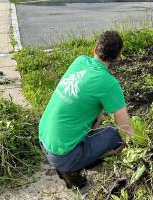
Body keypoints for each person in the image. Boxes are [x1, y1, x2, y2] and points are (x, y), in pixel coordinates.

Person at [39, 31, 133, 189]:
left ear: (95, 48)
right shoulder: (110, 84)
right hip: (63, 157)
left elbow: (94, 112)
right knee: (114, 135)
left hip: (43, 139)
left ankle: (78, 152)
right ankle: (73, 168)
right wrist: (142, 145)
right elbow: (125, 128)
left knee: (94, 114)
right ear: (118, 56)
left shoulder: (80, 61)